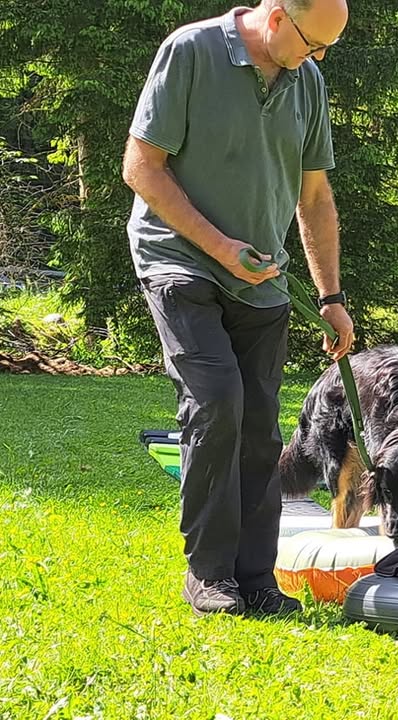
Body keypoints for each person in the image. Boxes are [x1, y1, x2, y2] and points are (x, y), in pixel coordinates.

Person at [122, 0, 353, 616]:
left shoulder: (307, 81)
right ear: (277, 17)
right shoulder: (191, 52)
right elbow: (141, 168)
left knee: (259, 429)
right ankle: (209, 573)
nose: (320, 56)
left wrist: (330, 297)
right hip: (180, 261)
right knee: (216, 401)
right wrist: (220, 246)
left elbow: (314, 195)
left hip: (261, 281)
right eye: (314, 41)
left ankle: (255, 577)